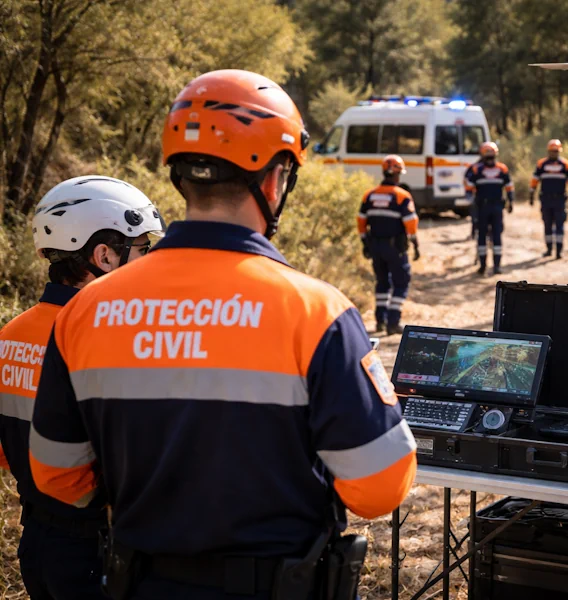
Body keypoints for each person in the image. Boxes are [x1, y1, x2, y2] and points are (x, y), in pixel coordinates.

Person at [29, 69, 417, 600]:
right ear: (278, 176)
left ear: (179, 175)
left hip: (137, 584)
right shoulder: (316, 311)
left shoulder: (83, 312)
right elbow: (380, 488)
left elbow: (56, 475)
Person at [0, 176, 163, 600]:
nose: (147, 264)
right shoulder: (106, 339)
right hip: (97, 552)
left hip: (35, 545)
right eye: (141, 250)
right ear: (104, 255)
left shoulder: (10, 336)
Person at [357, 154, 420, 335]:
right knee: (401, 281)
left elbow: (361, 222)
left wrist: (365, 243)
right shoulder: (402, 196)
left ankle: (380, 321)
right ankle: (393, 322)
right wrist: (416, 244)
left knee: (382, 282)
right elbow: (411, 224)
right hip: (395, 248)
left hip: (375, 247)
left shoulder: (369, 195)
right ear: (398, 174)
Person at [465, 142, 514, 275]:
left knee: (497, 235)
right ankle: (483, 265)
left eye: (492, 156)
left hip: (497, 207)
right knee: (482, 236)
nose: (490, 158)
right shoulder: (476, 169)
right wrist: (470, 201)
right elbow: (468, 186)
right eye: (488, 156)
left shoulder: (502, 169)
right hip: (482, 207)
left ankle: (497, 266)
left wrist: (511, 201)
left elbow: (509, 186)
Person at [529, 139, 568, 259]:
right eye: (552, 151)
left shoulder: (566, 165)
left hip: (560, 200)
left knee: (560, 225)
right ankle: (549, 249)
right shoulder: (541, 164)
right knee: (547, 224)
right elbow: (535, 180)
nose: (554, 153)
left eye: (556, 151)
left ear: (559, 151)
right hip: (546, 199)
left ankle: (559, 251)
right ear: (548, 151)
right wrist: (531, 194)